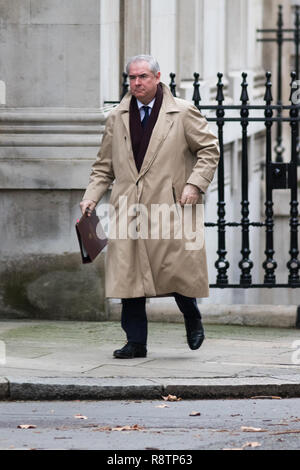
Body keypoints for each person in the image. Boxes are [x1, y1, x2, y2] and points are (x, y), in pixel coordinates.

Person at [80, 54, 219, 359]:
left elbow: (209, 149)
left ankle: (192, 316)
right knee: (130, 277)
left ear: (158, 78)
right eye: (131, 77)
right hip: (128, 208)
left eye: (142, 77)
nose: (136, 83)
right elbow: (104, 166)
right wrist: (92, 195)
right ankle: (136, 342)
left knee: (177, 270)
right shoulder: (117, 117)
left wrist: (195, 184)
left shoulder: (182, 112)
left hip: (171, 206)